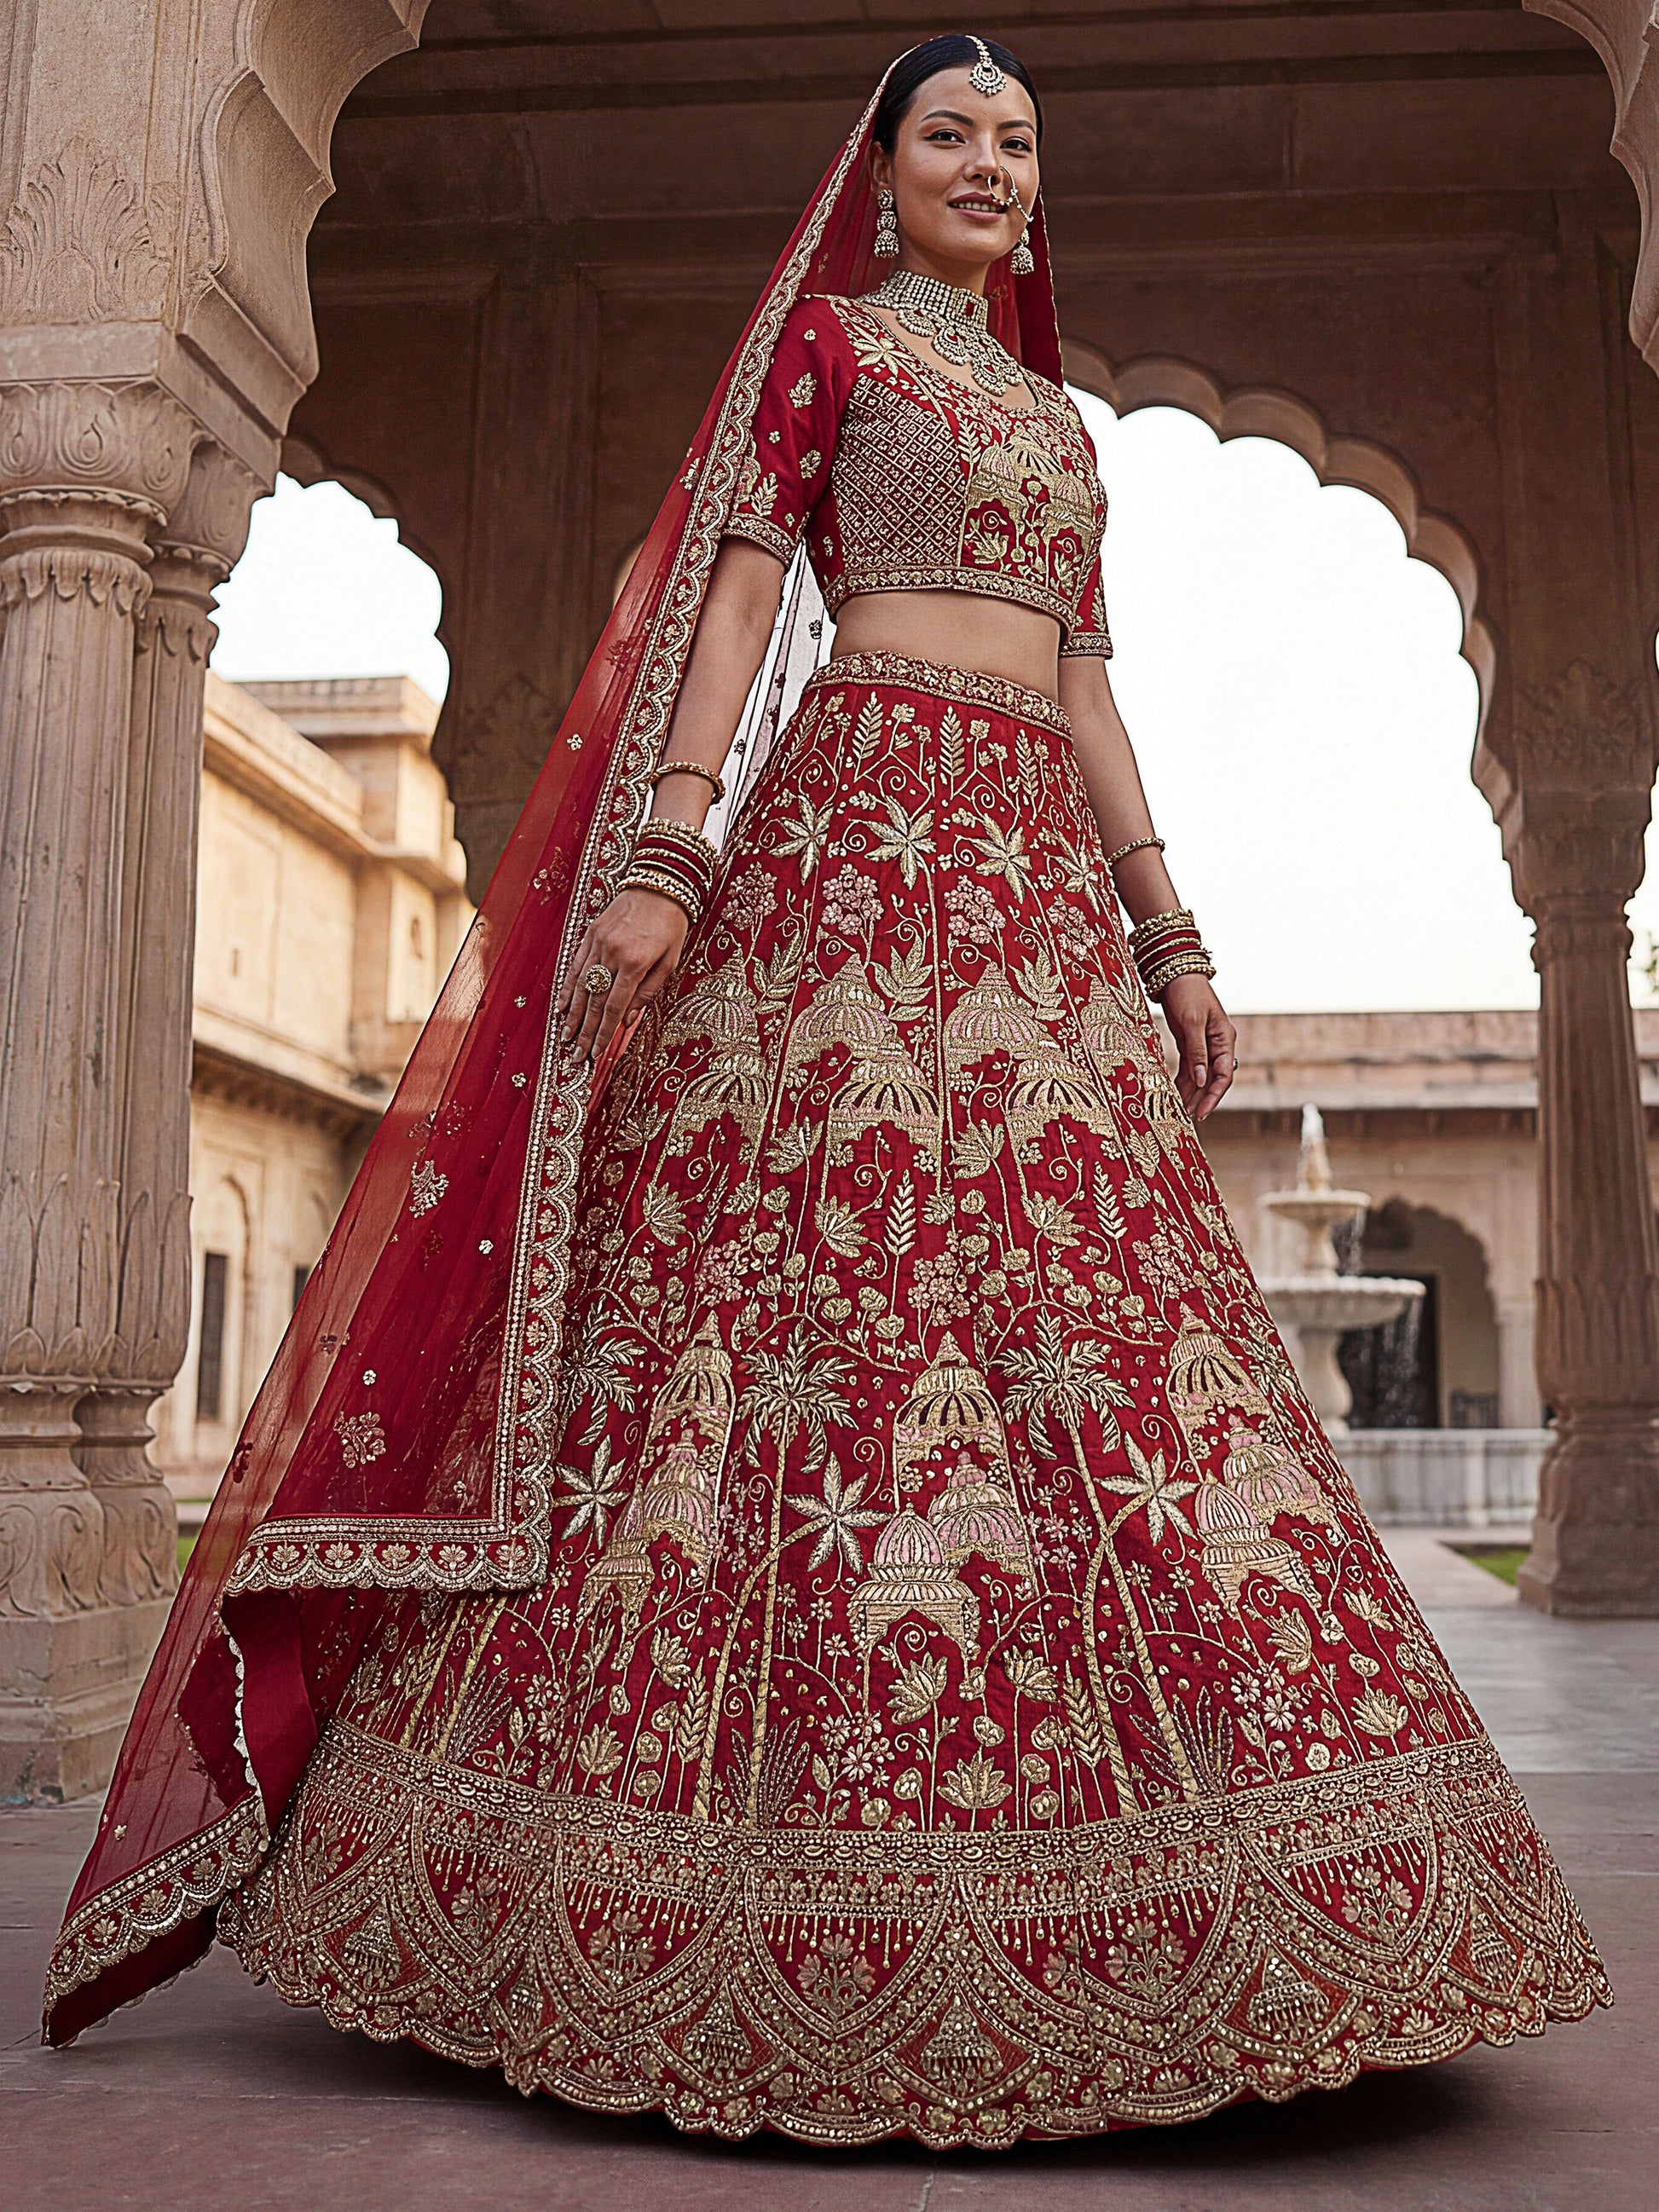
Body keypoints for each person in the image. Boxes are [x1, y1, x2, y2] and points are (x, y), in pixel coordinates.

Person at [46, 33, 1607, 2149]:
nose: (991, 164)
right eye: (951, 136)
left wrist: (1172, 932)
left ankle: (1183, 1888)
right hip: (846, 847)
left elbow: (1082, 678)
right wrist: (679, 847)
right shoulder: (835, 358)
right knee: (766, 1328)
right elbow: (740, 594)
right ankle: (634, 1870)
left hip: (1031, 896)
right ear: (881, 178)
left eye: (1018, 142)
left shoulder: (1062, 430)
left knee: (1110, 1340)